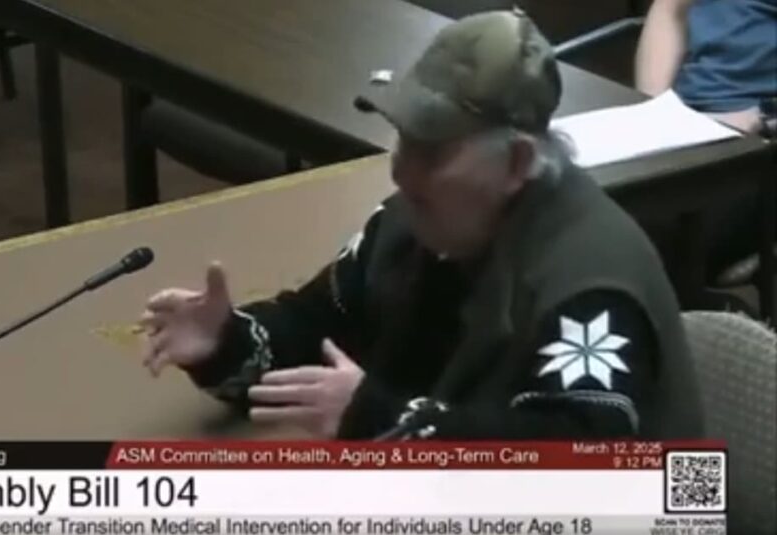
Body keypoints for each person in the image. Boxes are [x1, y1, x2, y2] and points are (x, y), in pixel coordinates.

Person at [138, 10, 705, 440]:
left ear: (517, 163)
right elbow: (317, 328)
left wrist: (379, 420)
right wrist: (226, 341)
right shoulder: (414, 223)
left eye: (432, 151)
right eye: (404, 139)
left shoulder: (590, 288)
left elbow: (574, 469)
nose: (401, 171)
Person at [636, 0, 776, 285]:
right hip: (685, 124)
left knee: (646, 241)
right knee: (569, 203)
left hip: (759, 143)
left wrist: (761, 121)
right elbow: (669, 10)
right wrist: (654, 110)